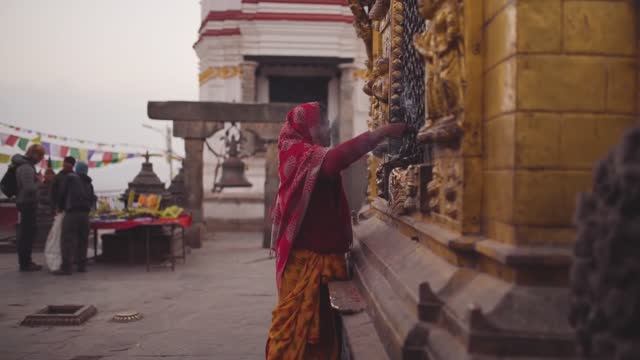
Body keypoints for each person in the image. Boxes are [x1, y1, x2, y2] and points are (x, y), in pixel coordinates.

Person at [266, 102, 406, 359]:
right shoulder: (300, 153)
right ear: (307, 128)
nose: (328, 127)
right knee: (293, 333)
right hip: (305, 262)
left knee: (320, 332)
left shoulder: (308, 153)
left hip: (320, 263)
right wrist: (381, 132)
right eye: (321, 123)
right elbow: (336, 160)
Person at [53, 161, 96, 275]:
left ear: (77, 169)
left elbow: (62, 193)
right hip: (85, 215)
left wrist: (60, 207)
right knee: (83, 240)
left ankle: (66, 268)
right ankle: (82, 266)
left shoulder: (70, 178)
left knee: (68, 240)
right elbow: (92, 199)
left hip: (72, 213)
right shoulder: (89, 183)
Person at [11, 144, 46, 272]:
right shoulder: (26, 167)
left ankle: (26, 261)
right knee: (27, 235)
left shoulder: (26, 166)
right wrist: (39, 181)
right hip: (27, 204)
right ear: (34, 154)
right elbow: (29, 188)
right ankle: (25, 263)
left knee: (28, 234)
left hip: (27, 203)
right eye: (40, 155)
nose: (41, 159)